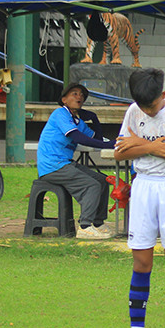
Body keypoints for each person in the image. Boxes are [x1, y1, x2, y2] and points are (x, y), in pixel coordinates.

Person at [112, 69, 165, 328]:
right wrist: (155, 147)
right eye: (143, 107)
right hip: (143, 186)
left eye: (152, 106)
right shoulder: (134, 111)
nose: (147, 111)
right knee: (141, 261)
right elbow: (120, 152)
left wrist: (141, 144)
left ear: (164, 96)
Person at [36, 83, 115, 240]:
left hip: (65, 163)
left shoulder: (77, 122)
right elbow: (78, 137)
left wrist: (94, 118)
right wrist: (108, 145)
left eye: (82, 95)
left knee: (102, 180)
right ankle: (85, 226)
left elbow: (97, 139)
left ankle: (97, 223)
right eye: (74, 94)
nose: (79, 97)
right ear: (64, 99)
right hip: (52, 166)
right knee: (91, 185)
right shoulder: (60, 114)